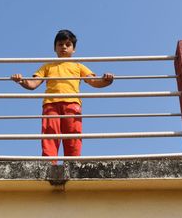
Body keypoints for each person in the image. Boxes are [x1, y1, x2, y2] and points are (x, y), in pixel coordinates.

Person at [11, 30, 114, 158]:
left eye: (68, 44)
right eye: (60, 44)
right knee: (50, 134)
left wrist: (107, 81)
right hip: (51, 104)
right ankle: (49, 163)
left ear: (74, 49)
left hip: (72, 104)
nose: (64, 47)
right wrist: (21, 80)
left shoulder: (78, 66)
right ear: (55, 48)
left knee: (73, 135)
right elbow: (33, 84)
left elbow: (93, 81)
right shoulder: (47, 66)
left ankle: (72, 163)